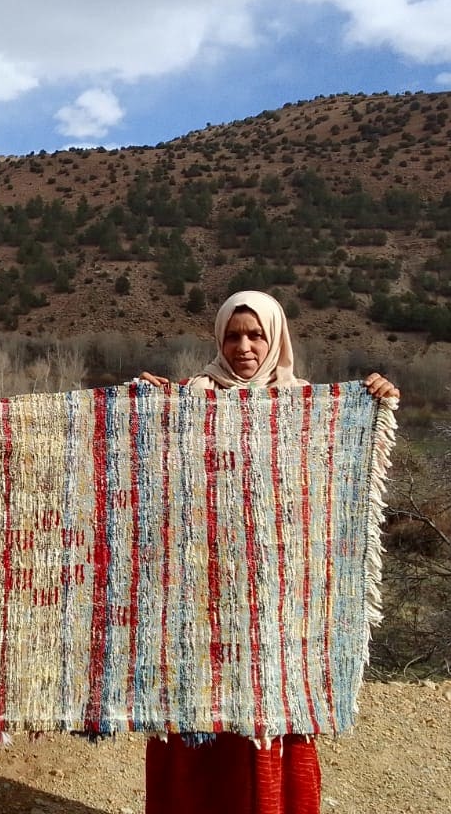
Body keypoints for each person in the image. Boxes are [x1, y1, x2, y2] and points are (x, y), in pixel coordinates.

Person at [136, 289, 398, 814]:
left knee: (270, 705)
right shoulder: (188, 399)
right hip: (201, 594)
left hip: (276, 596)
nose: (244, 347)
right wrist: (145, 408)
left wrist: (375, 399)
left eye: (256, 334)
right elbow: (157, 480)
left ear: (275, 336)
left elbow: (329, 485)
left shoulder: (308, 407)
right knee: (197, 708)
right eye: (233, 336)